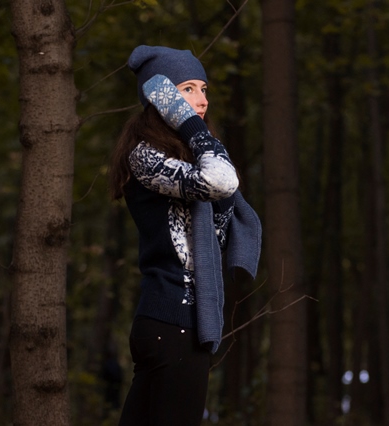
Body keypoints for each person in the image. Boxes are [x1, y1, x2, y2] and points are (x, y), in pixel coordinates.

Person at [109, 45, 262, 426]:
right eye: (188, 89)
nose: (202, 100)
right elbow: (221, 180)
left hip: (182, 327)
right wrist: (196, 129)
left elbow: (223, 195)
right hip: (171, 322)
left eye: (204, 89)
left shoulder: (193, 157)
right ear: (159, 98)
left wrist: (201, 140)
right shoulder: (145, 157)